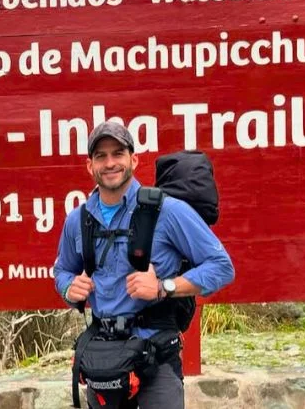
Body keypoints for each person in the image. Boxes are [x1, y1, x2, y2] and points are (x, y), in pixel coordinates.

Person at [53, 122, 235, 409]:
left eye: (118, 153)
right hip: (105, 359)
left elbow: (221, 266)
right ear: (90, 166)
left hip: (157, 356)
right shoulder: (78, 219)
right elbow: (62, 270)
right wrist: (68, 286)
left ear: (133, 160)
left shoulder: (168, 211)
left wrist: (165, 287)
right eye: (101, 156)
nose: (110, 162)